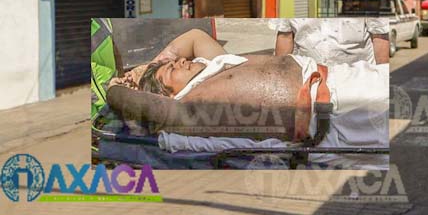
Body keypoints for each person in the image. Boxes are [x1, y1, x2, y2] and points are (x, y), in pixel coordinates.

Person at [111, 29, 389, 153]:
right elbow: (132, 103)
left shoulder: (215, 65)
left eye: (175, 62)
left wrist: (154, 65)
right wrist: (115, 88)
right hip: (337, 111)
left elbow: (195, 36)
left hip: (344, 78)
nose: (181, 61)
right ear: (165, 95)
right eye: (172, 70)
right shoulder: (189, 107)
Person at [270, 18, 391, 65]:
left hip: (355, 77)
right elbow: (285, 36)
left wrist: (382, 75)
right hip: (309, 77)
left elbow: (379, 37)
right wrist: (279, 73)